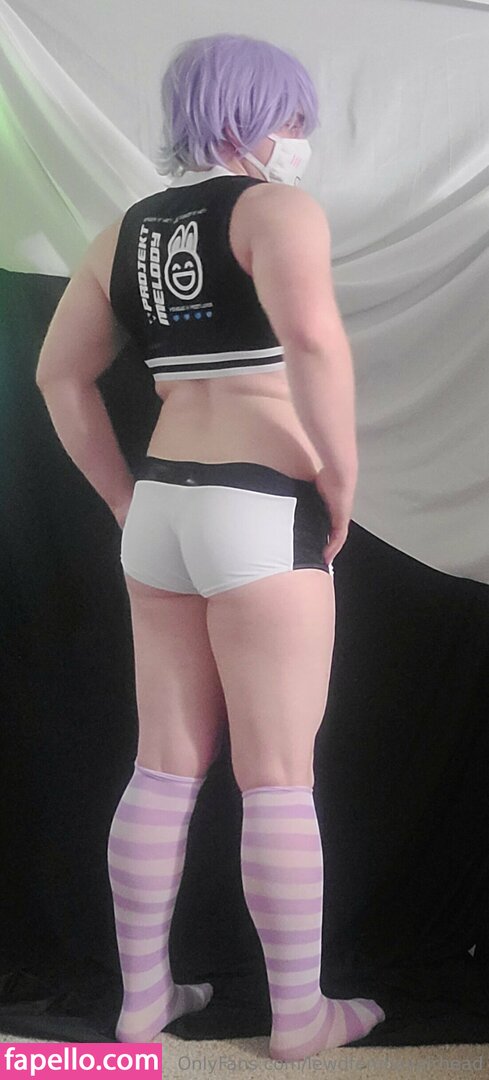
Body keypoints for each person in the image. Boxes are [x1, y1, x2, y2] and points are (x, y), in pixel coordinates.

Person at [35, 32, 385, 1062]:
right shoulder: (278, 211)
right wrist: (339, 478)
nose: (300, 137)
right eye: (293, 118)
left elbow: (59, 375)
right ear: (251, 114)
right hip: (261, 503)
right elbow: (312, 340)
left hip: (162, 506)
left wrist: (119, 498)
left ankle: (143, 1003)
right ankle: (298, 1017)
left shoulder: (124, 233)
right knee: (276, 775)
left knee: (162, 767)